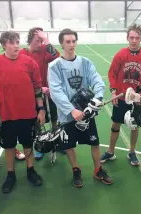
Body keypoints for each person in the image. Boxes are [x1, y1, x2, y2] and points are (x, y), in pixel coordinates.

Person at [0, 31, 45, 193]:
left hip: (28, 113)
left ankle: (31, 170)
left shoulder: (30, 63)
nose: (16, 45)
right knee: (9, 146)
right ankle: (11, 174)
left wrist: (41, 109)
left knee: (27, 143)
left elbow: (38, 89)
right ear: (3, 45)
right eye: (11, 42)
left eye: (17, 42)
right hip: (6, 115)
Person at [48, 28, 113, 188]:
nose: (71, 44)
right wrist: (71, 110)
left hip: (86, 113)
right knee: (69, 145)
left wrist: (96, 100)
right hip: (67, 115)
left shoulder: (85, 62)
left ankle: (98, 170)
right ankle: (76, 169)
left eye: (73, 41)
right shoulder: (54, 66)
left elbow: (97, 81)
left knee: (94, 142)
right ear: (61, 44)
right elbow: (55, 92)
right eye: (67, 42)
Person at [100, 23, 141, 166]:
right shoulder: (121, 54)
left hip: (137, 99)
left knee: (134, 126)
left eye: (137, 38)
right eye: (131, 37)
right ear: (127, 37)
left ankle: (132, 151)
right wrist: (113, 90)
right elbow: (112, 74)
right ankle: (110, 151)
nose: (134, 40)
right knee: (116, 124)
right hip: (121, 98)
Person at [19, 27, 61, 160]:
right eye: (38, 40)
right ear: (30, 39)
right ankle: (40, 144)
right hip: (32, 93)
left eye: (42, 40)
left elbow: (56, 56)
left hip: (48, 91)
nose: (40, 43)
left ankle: (56, 142)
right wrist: (37, 88)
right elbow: (21, 78)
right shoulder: (22, 54)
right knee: (38, 120)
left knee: (54, 118)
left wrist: (47, 41)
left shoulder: (44, 50)